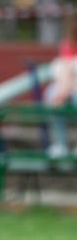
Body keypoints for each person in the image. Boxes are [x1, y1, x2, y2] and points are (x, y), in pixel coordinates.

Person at [41, 14, 77, 160]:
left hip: (73, 87)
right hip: (68, 85)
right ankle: (60, 144)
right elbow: (65, 69)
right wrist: (63, 91)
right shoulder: (68, 43)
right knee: (51, 93)